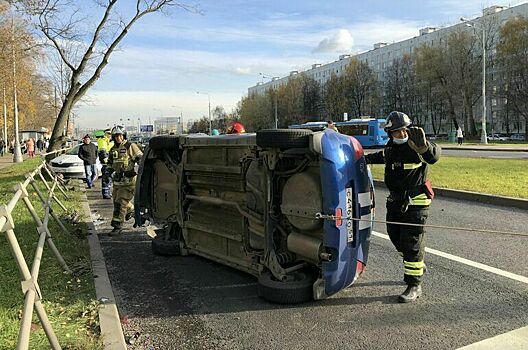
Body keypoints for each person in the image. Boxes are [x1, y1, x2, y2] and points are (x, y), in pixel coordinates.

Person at [365, 111, 441, 303]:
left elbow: (433, 155)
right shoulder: (391, 147)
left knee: (411, 242)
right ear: (390, 133)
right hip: (396, 201)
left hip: (415, 202)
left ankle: (414, 284)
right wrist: (362, 158)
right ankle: (414, 261)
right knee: (394, 234)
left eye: (402, 130)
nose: (400, 135)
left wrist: (424, 148)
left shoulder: (417, 145)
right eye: (395, 132)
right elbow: (383, 156)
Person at [107, 125, 143, 234]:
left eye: (120, 135)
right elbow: (110, 163)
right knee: (116, 201)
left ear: (123, 136)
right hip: (117, 182)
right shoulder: (113, 149)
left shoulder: (130, 146)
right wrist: (107, 172)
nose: (118, 138)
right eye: (116, 136)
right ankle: (131, 209)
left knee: (120, 203)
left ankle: (117, 226)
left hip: (129, 182)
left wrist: (141, 171)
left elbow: (141, 159)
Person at [97, 129, 114, 199]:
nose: (110, 135)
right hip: (106, 163)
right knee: (106, 179)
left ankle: (108, 192)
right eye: (108, 134)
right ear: (105, 134)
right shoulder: (103, 140)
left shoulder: (110, 141)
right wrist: (107, 161)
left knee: (110, 179)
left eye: (111, 134)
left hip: (111, 163)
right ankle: (105, 193)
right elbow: (103, 153)